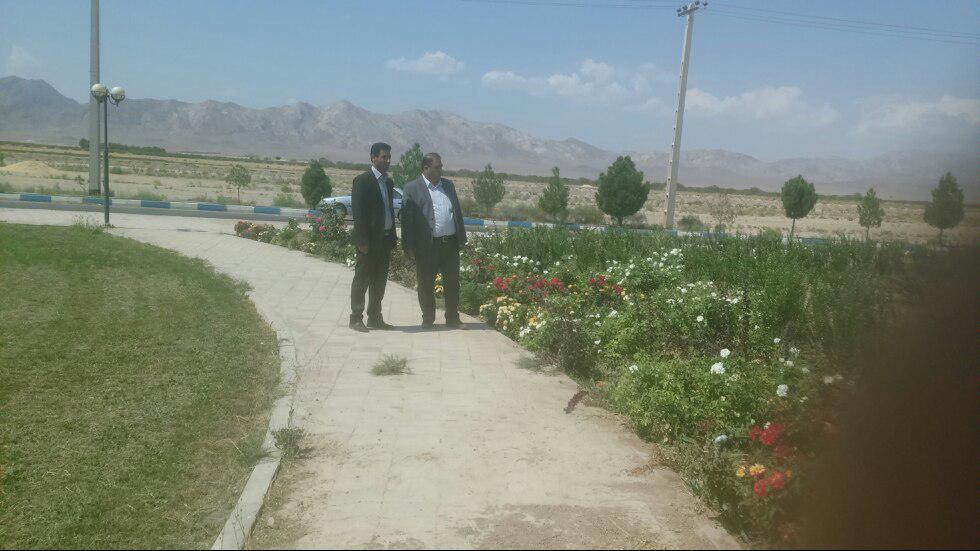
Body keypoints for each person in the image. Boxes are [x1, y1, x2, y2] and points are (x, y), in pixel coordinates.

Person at [400, 152, 467, 329]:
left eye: (441, 166)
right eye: (437, 167)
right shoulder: (412, 188)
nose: (440, 170)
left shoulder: (448, 185)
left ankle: (452, 318)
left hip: (450, 244)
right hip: (427, 246)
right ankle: (428, 318)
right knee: (425, 284)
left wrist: (461, 238)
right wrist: (408, 246)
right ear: (426, 168)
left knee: (452, 283)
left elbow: (457, 212)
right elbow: (407, 220)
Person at [348, 142, 397, 332]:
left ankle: (375, 317)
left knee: (379, 281)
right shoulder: (363, 181)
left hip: (384, 239)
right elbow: (358, 213)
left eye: (389, 157)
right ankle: (356, 318)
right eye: (384, 157)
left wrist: (392, 236)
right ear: (373, 158)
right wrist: (362, 241)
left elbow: (389, 211)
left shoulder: (388, 182)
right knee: (362, 280)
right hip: (368, 242)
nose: (387, 161)